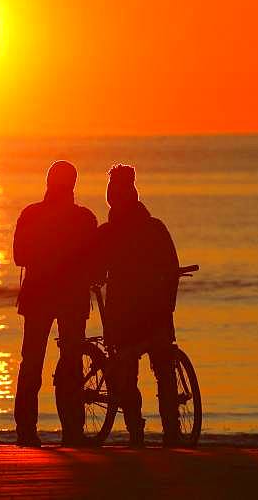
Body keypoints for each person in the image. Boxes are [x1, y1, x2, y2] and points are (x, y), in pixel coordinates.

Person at [94, 164, 181, 447]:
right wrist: (169, 305)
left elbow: (95, 271)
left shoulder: (108, 233)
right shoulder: (155, 227)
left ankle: (136, 431)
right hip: (155, 311)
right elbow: (172, 268)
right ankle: (172, 431)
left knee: (127, 372)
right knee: (164, 369)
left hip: (123, 314)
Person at [12, 160, 98, 447]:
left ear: (48, 182)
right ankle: (72, 432)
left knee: (33, 363)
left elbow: (20, 256)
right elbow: (93, 262)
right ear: (73, 185)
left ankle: (26, 432)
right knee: (71, 363)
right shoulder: (85, 218)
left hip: (38, 295)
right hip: (71, 297)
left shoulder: (31, 214)